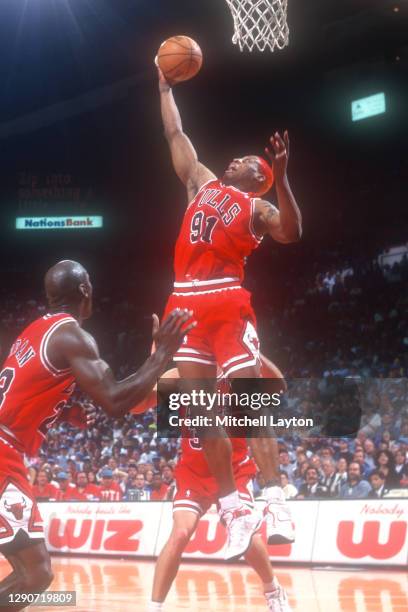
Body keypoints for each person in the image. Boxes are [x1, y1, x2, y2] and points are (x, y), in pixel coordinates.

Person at [157, 63, 301, 557]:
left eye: (246, 161)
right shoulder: (199, 182)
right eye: (238, 157)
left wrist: (282, 180)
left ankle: (277, 498)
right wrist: (164, 87)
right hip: (183, 299)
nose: (236, 159)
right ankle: (234, 505)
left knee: (249, 397)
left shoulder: (257, 206)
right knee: (201, 413)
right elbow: (175, 132)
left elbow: (291, 232)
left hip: (224, 297)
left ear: (256, 178)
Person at [0, 259, 194, 610]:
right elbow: (116, 401)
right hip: (3, 452)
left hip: (6, 444)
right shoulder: (72, 334)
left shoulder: (34, 330)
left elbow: (22, 392)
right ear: (86, 290)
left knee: (29, 571)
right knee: (36, 575)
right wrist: (163, 352)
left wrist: (65, 409)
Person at [149, 381, 291, 611]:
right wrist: (154, 365)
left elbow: (278, 386)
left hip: (234, 469)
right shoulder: (181, 376)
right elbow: (139, 405)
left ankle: (273, 590)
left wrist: (252, 347)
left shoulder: (238, 376)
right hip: (194, 472)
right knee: (180, 533)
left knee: (248, 536)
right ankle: (154, 607)